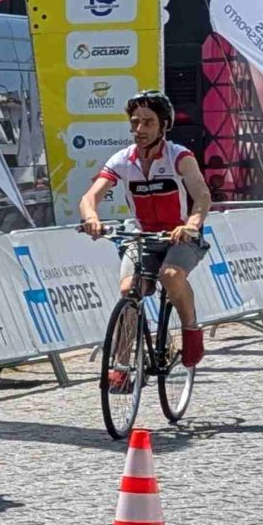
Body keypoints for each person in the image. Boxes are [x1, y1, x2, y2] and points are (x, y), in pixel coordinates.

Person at [77, 91, 213, 378]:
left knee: (171, 276)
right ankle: (122, 366)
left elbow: (202, 195)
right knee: (129, 290)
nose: (139, 129)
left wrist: (191, 224)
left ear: (164, 125)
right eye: (135, 122)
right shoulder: (122, 160)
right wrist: (91, 218)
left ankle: (190, 330)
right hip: (144, 236)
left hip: (180, 235)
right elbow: (90, 197)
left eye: (148, 122)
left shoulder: (179, 156)